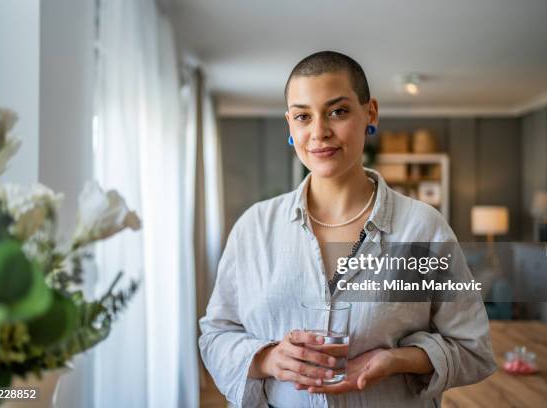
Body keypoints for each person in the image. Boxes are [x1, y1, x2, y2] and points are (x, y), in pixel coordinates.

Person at [199, 51, 496, 408]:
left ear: (370, 113)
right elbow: (216, 333)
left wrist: (396, 361)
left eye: (337, 111)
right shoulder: (253, 228)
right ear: (290, 125)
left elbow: (473, 348)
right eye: (303, 116)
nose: (319, 132)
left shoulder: (422, 228)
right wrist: (267, 358)